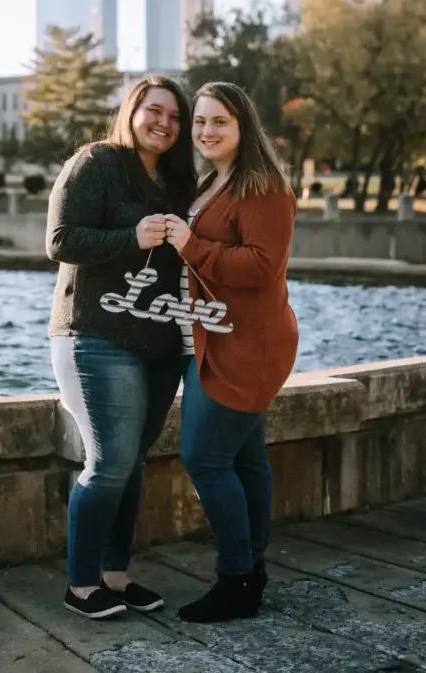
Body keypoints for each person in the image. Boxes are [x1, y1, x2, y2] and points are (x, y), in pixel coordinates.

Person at [47, 75, 196, 619]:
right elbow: (59, 241)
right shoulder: (97, 162)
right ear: (132, 112)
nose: (164, 123)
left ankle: (115, 574)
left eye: (175, 116)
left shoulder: (181, 181)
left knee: (132, 462)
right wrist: (130, 237)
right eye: (154, 111)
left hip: (162, 341)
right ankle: (81, 584)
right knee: (109, 462)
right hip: (95, 334)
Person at [165, 81, 299, 623]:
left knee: (205, 458)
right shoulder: (212, 181)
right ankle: (252, 571)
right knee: (244, 458)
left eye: (219, 121)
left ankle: (236, 578)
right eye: (199, 122)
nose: (205, 131)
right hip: (215, 337)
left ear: (244, 126)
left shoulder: (263, 187)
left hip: (249, 344)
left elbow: (262, 266)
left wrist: (190, 245)